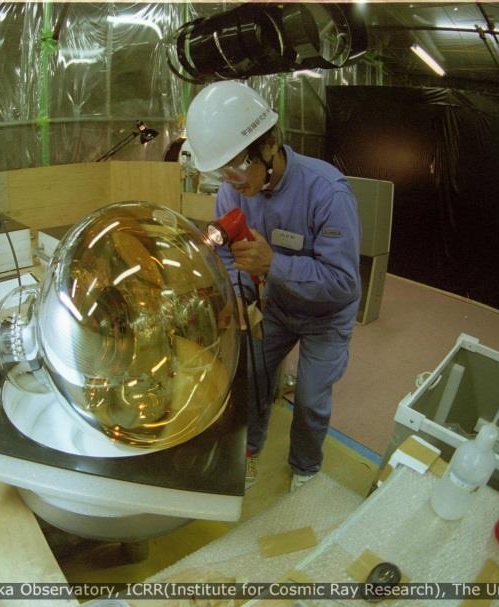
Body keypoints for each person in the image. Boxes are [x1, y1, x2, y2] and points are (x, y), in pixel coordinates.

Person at [185, 81, 362, 493]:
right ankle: (249, 452)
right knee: (251, 378)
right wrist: (235, 296)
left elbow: (342, 283)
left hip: (326, 316)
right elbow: (229, 257)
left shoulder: (327, 193)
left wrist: (275, 265)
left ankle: (305, 468)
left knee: (311, 398)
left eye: (240, 165)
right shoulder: (233, 191)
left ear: (271, 145)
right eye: (222, 170)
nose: (231, 179)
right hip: (277, 306)